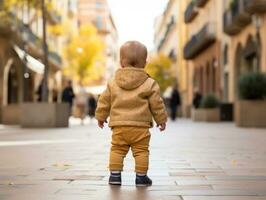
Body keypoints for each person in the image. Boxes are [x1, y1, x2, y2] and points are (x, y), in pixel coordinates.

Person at [96, 41, 168, 187]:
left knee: (117, 149)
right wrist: (161, 119)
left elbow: (104, 100)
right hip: (140, 127)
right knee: (141, 151)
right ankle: (141, 177)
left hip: (119, 126)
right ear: (145, 63)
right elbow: (157, 103)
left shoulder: (112, 82)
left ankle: (115, 176)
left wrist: (101, 116)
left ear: (121, 63)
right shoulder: (150, 83)